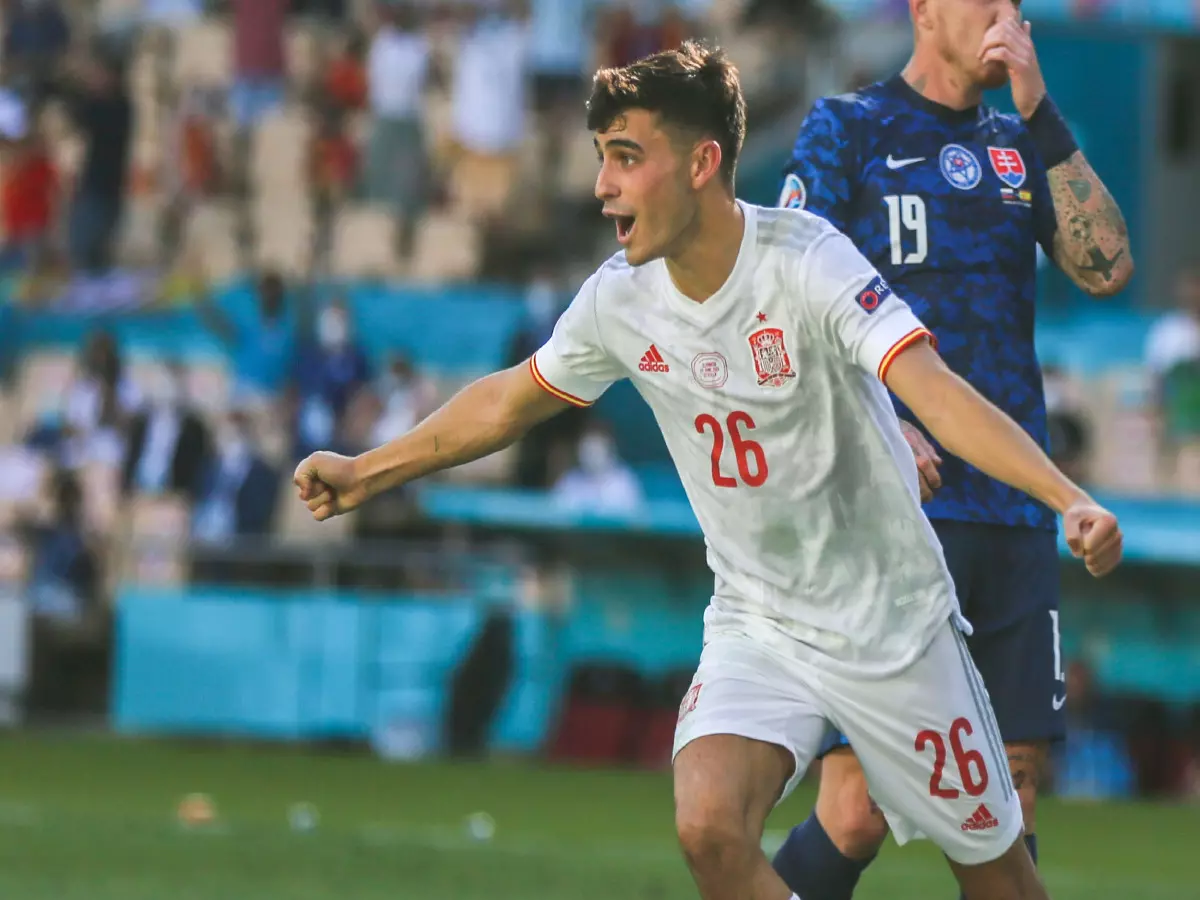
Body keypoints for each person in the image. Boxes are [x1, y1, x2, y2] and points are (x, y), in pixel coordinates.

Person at [293, 42, 1123, 900]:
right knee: (708, 824)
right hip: (758, 621)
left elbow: (938, 396)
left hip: (893, 626)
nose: (601, 187)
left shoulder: (807, 262)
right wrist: (367, 470)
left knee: (1003, 882)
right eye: (601, 159)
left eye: (626, 157)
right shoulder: (620, 298)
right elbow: (508, 402)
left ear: (702, 162)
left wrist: (1066, 498)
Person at [772, 2, 1134, 897]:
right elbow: (780, 292)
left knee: (1010, 790)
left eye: (1016, 5)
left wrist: (1042, 108)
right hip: (890, 505)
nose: (1004, 17)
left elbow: (1108, 265)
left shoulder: (1022, 144)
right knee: (856, 803)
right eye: (986, 1)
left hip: (1010, 506)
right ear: (924, 11)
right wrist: (879, 416)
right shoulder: (848, 127)